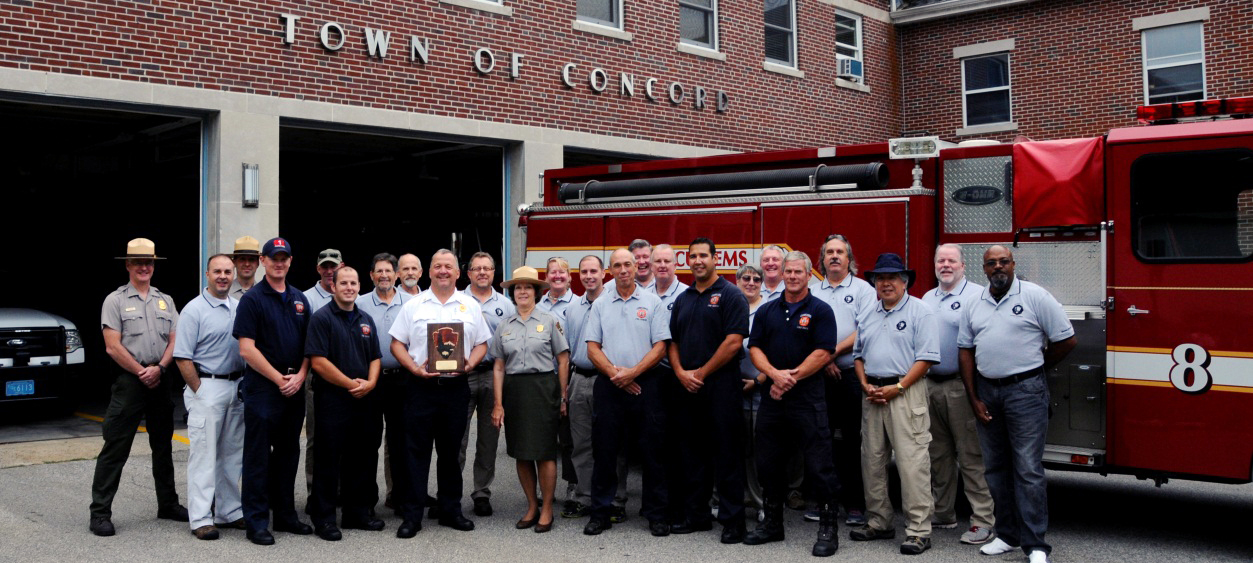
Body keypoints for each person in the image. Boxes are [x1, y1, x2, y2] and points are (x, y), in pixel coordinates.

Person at [958, 246, 1076, 563]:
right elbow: (965, 351)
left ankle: (1035, 544)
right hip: (987, 392)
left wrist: (1035, 369)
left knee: (1027, 469)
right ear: (983, 269)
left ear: (1013, 264)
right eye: (991, 263)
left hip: (1026, 392)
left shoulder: (1035, 296)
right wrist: (974, 397)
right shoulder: (974, 303)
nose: (998, 267)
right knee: (996, 469)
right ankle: (1007, 535)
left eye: (1004, 262)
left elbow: (1067, 340)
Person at [743, 250, 841, 557]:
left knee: (820, 465)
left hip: (807, 400)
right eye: (789, 272)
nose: (793, 276)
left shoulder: (821, 309)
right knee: (768, 463)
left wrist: (789, 379)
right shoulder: (768, 310)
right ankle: (772, 524)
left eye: (799, 272)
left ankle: (828, 529)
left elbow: (824, 352)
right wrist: (773, 375)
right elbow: (755, 348)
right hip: (774, 399)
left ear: (809, 274)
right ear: (783, 274)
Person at [388, 249, 491, 538]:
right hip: (420, 388)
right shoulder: (414, 305)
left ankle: (450, 510)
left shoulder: (469, 305)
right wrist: (413, 368)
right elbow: (397, 343)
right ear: (429, 272)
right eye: (437, 266)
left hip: (456, 388)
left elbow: (482, 342)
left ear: (458, 273)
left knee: (450, 453)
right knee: (415, 453)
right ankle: (412, 515)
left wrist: (470, 363)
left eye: (449, 266)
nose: (443, 271)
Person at [89, 238, 186, 537]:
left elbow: (175, 340)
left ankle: (167, 504)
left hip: (160, 377)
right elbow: (112, 346)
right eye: (138, 262)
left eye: (149, 262)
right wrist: (142, 371)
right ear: (128, 265)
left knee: (163, 447)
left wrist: (160, 368)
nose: (144, 267)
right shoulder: (115, 300)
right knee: (116, 447)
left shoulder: (165, 300)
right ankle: (100, 513)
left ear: (154, 266)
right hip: (130, 381)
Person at [849, 253, 941, 555]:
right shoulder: (868, 312)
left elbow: (926, 358)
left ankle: (918, 531)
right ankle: (879, 522)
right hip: (872, 391)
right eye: (880, 278)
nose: (885, 283)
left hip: (905, 391)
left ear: (905, 281)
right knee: (872, 461)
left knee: (912, 463)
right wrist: (864, 384)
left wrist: (898, 386)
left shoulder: (921, 311)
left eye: (892, 278)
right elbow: (858, 354)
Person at [582, 248, 671, 537]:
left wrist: (632, 374)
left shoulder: (652, 302)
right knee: (605, 451)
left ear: (636, 267)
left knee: (653, 452)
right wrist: (615, 374)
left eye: (627, 264)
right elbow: (592, 346)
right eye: (617, 265)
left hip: (647, 385)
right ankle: (601, 513)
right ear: (610, 271)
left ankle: (656, 513)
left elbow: (661, 346)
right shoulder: (601, 304)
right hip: (610, 386)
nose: (623, 270)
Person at [667, 238, 750, 543]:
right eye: (693, 256)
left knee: (727, 453)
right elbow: (671, 341)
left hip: (721, 386)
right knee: (692, 453)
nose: (698, 260)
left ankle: (733, 521)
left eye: (704, 255)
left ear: (716, 259)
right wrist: (680, 372)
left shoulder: (731, 295)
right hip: (687, 386)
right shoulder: (685, 297)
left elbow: (733, 341)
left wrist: (700, 373)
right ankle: (697, 515)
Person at [233, 237, 314, 545]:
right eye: (273, 257)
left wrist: (301, 375)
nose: (279, 262)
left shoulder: (299, 299)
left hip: (294, 389)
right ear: (263, 261)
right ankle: (256, 521)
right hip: (264, 390)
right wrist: (280, 379)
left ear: (290, 261)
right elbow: (246, 349)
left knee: (288, 454)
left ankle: (284, 515)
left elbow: (310, 347)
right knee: (257, 458)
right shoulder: (252, 299)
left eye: (284, 257)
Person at [921, 244, 995, 545]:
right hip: (931, 385)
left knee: (971, 456)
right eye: (941, 260)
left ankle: (983, 520)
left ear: (964, 265)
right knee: (937, 455)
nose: (946, 265)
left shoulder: (977, 296)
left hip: (961, 386)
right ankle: (944, 512)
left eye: (952, 260)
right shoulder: (928, 297)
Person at [489, 266, 571, 533]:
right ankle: (531, 506)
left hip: (543, 388)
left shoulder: (549, 321)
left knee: (545, 452)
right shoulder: (504, 326)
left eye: (528, 287)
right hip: (515, 391)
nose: (522, 291)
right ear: (513, 293)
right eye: (518, 288)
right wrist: (499, 404)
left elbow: (562, 359)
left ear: (536, 292)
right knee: (521, 452)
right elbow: (499, 367)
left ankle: (547, 507)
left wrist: (562, 395)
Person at [305, 266, 384, 541]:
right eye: (343, 283)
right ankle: (324, 518)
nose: (349, 287)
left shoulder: (365, 318)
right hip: (333, 399)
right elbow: (318, 362)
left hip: (365, 398)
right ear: (333, 287)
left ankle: (356, 513)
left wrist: (371, 383)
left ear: (359, 285)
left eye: (353, 283)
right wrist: (352, 384)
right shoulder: (322, 318)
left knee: (360, 457)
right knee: (328, 459)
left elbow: (375, 356)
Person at [174, 254, 246, 540]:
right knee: (204, 456)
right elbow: (182, 357)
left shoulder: (239, 307)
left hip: (236, 385)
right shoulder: (194, 310)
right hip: (207, 386)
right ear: (207, 274)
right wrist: (200, 391)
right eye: (217, 271)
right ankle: (201, 518)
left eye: (228, 272)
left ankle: (228, 511)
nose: (223, 276)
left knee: (231, 455)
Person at [809, 234, 874, 526]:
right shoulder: (812, 290)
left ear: (849, 259)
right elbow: (805, 332)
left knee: (851, 441)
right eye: (829, 252)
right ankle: (822, 501)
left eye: (840, 252)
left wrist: (830, 354)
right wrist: (822, 363)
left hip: (850, 375)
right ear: (822, 259)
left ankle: (855, 505)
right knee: (820, 439)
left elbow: (865, 329)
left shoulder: (863, 290)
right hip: (819, 376)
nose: (834, 256)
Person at [560, 255, 627, 519]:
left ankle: (617, 500)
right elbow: (568, 347)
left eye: (594, 271)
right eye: (584, 272)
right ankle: (586, 497)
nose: (589, 276)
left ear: (604, 274)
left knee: (613, 443)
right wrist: (566, 387)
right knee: (581, 443)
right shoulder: (573, 308)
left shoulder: (613, 305)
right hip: (579, 378)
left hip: (607, 379)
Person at [356, 253, 413, 514]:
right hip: (370, 381)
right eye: (378, 271)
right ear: (371, 276)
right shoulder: (359, 303)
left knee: (401, 442)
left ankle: (399, 498)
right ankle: (366, 500)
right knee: (367, 442)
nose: (384, 276)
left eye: (389, 271)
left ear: (397, 274)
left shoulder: (413, 303)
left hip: (402, 380)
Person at [461, 252, 516, 517]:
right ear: (468, 273)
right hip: (461, 375)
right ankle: (448, 493)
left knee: (488, 438)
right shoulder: (456, 301)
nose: (482, 272)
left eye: (487, 268)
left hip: (493, 374)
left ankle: (481, 493)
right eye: (477, 268)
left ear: (494, 273)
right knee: (455, 437)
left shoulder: (506, 305)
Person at [303, 248, 344, 494]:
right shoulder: (306, 299)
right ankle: (314, 490)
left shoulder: (351, 295)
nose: (330, 271)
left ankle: (341, 489)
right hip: (316, 377)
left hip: (347, 376)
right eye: (325, 267)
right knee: (316, 436)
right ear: (318, 269)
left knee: (344, 436)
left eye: (333, 266)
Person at [735, 264, 766, 515]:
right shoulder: (730, 307)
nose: (751, 282)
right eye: (746, 278)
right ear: (737, 281)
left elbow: (777, 351)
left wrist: (759, 380)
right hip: (731, 391)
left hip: (759, 392)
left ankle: (761, 503)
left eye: (757, 279)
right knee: (732, 448)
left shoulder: (768, 311)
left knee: (759, 452)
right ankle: (727, 501)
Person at [230, 235, 261, 300]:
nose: (247, 264)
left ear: (258, 263)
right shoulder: (224, 292)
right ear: (234, 262)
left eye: (251, 259)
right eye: (242, 259)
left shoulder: (264, 293)